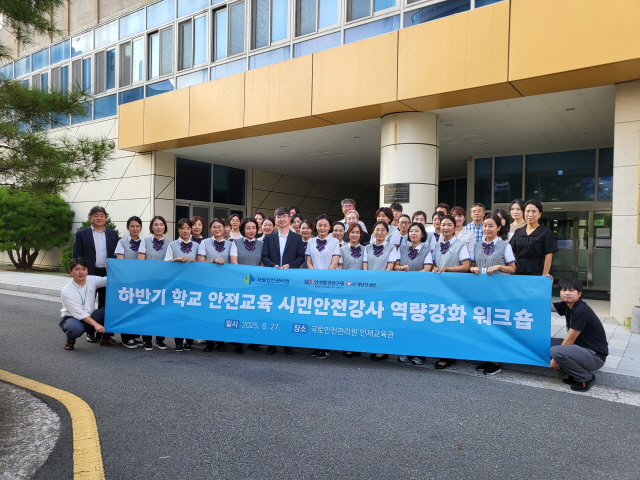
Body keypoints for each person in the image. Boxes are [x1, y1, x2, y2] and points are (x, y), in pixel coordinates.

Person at [469, 214, 516, 375]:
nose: (487, 229)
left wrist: (499, 267)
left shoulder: (505, 245)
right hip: (480, 291)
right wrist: (472, 268)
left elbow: (512, 268)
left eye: (491, 226)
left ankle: (496, 362)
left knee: (496, 325)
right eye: (485, 226)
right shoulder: (477, 245)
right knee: (483, 325)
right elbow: (472, 264)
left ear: (498, 228)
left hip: (498, 292)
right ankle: (487, 357)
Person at [261, 207, 306, 355]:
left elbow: (301, 257)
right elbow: (265, 256)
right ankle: (271, 344)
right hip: (272, 279)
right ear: (275, 219)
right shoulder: (269, 237)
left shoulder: (297, 238)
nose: (282, 219)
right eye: (279, 217)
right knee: (272, 311)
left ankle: (287, 344)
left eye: (284, 216)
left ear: (289, 219)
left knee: (288, 312)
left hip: (290, 279)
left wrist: (289, 266)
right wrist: (272, 266)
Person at [550, 278, 608, 392]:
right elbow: (544, 306)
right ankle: (573, 374)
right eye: (563, 290)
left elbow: (570, 339)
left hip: (595, 357)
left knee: (556, 351)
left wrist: (556, 358)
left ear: (579, 294)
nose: (567, 293)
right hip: (581, 350)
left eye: (571, 290)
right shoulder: (567, 305)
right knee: (548, 343)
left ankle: (586, 378)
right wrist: (545, 286)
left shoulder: (581, 310)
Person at [432, 214, 471, 370]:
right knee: (441, 320)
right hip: (439, 288)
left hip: (454, 288)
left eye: (449, 225)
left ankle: (448, 356)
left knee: (451, 321)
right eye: (443, 225)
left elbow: (466, 266)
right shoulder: (437, 245)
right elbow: (434, 263)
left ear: (455, 227)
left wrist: (448, 269)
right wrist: (435, 268)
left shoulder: (460, 245)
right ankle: (443, 352)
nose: (446, 228)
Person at [393, 222, 434, 366]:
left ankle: (420, 354)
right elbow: (395, 265)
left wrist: (413, 277)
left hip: (420, 289)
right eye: (411, 231)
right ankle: (406, 351)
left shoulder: (427, 250)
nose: (413, 233)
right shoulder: (402, 248)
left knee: (419, 321)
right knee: (405, 320)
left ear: (422, 234)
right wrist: (400, 268)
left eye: (416, 231)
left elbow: (428, 268)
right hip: (404, 289)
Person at [59, 258, 120, 350]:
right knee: (75, 329)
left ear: (87, 270)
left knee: (111, 309)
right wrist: (96, 325)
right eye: (77, 269)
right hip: (72, 318)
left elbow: (109, 280)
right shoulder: (67, 291)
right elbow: (79, 313)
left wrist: (109, 269)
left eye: (83, 269)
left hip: (90, 315)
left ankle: (105, 338)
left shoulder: (91, 279)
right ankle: (70, 339)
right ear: (71, 272)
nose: (81, 272)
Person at [72, 206, 119, 318]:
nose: (99, 218)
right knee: (88, 302)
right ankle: (88, 327)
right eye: (96, 215)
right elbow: (76, 255)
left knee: (105, 302)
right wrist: (77, 272)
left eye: (102, 215)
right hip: (89, 273)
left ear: (105, 218)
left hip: (107, 273)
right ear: (90, 218)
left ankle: (103, 328)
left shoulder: (113, 234)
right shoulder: (82, 234)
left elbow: (117, 254)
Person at [306, 215, 341, 359]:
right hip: (314, 283)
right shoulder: (310, 241)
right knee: (316, 315)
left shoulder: (335, 241)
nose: (322, 228)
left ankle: (326, 346)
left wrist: (324, 277)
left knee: (328, 315)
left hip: (330, 283)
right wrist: (315, 276)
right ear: (316, 226)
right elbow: (308, 261)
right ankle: (316, 344)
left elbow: (335, 262)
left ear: (330, 227)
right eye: (319, 225)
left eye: (325, 225)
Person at [198, 218, 233, 353]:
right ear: (210, 229)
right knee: (208, 313)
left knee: (222, 312)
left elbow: (233, 263)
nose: (217, 229)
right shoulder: (204, 243)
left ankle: (221, 341)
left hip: (224, 283)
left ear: (224, 228)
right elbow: (200, 262)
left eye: (220, 227)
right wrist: (213, 261)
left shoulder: (231, 244)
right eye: (214, 227)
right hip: (208, 282)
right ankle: (209, 342)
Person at [363, 221, 397, 362]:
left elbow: (390, 267)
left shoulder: (391, 248)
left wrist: (380, 283)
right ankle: (372, 347)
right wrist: (370, 283)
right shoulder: (367, 247)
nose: (380, 232)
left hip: (384, 286)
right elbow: (365, 265)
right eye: (377, 229)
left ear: (387, 233)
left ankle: (383, 350)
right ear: (373, 231)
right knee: (370, 318)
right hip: (369, 287)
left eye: (383, 230)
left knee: (383, 318)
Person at [230, 217, 263, 354]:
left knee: (254, 312)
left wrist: (255, 278)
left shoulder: (262, 244)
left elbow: (263, 263)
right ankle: (238, 343)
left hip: (256, 283)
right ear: (243, 229)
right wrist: (245, 278)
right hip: (240, 282)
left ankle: (253, 341)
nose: (251, 230)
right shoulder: (235, 243)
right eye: (248, 228)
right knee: (240, 313)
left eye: (254, 228)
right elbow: (234, 262)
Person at [137, 215, 170, 351]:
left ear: (165, 227)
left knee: (162, 311)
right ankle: (147, 340)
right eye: (156, 224)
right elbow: (140, 261)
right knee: (147, 310)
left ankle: (160, 339)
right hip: (149, 281)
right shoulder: (144, 242)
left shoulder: (170, 243)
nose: (159, 227)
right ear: (152, 227)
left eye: (161, 224)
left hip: (165, 282)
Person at [164, 218, 197, 352]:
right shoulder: (172, 245)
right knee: (178, 312)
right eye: (183, 228)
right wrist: (176, 259)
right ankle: (178, 342)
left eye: (188, 228)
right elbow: (166, 263)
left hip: (193, 284)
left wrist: (195, 262)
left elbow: (202, 262)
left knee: (191, 312)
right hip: (177, 284)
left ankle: (189, 341)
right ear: (178, 229)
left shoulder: (197, 245)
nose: (185, 231)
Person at [114, 215, 145, 348]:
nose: (135, 228)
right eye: (132, 226)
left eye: (137, 226)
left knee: (139, 308)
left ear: (141, 228)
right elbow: (120, 262)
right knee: (126, 308)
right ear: (128, 228)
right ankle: (126, 337)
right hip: (126, 280)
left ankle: (136, 335)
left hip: (141, 280)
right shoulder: (122, 243)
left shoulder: (145, 242)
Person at [509, 199, 558, 277]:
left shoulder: (546, 232)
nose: (530, 214)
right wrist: (509, 270)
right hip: (518, 272)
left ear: (540, 214)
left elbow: (548, 255)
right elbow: (512, 253)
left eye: (534, 211)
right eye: (527, 211)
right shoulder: (518, 231)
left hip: (536, 272)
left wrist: (544, 275)